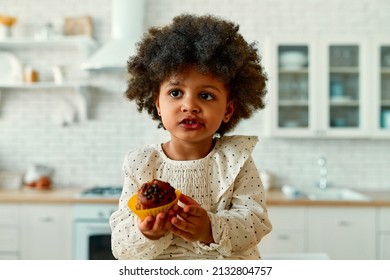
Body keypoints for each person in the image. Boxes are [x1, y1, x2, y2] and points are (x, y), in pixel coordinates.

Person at [109, 14, 272, 260]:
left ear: (228, 109)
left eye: (205, 96)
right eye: (175, 92)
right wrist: (146, 233)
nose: (189, 105)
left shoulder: (236, 159)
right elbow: (120, 244)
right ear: (158, 104)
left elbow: (255, 222)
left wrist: (209, 228)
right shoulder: (141, 164)